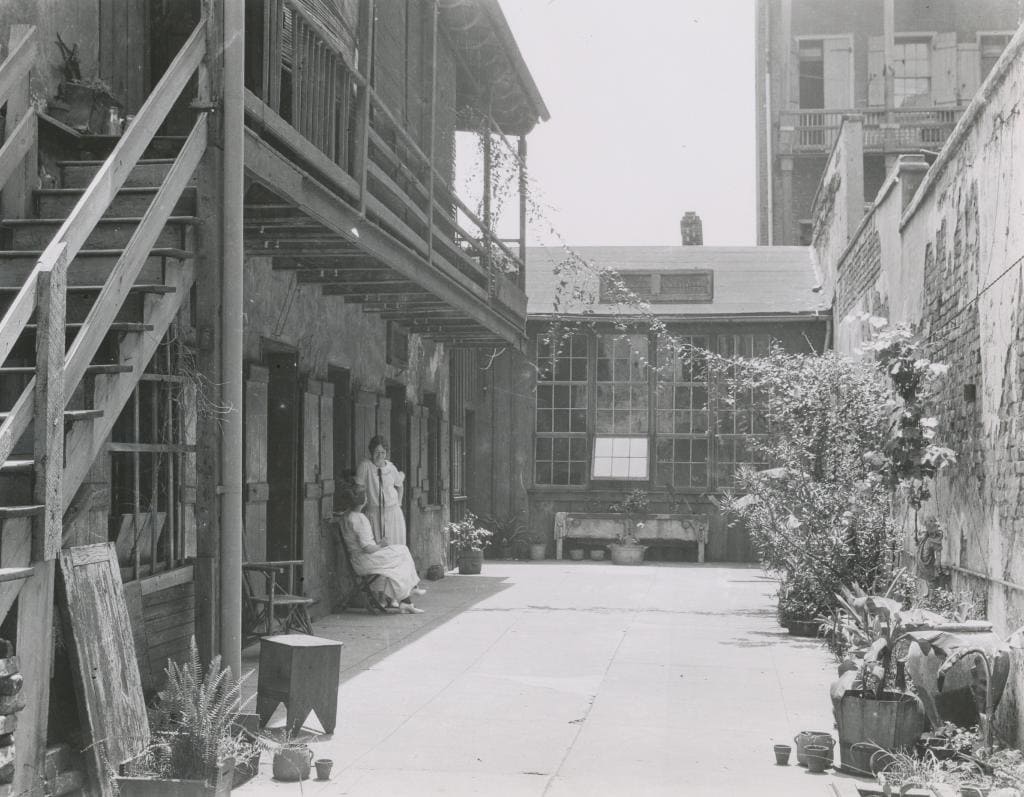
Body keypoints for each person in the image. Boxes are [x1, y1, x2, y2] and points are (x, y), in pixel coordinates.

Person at [334, 481, 425, 613]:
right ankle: (409, 592)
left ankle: (407, 599)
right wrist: (381, 545)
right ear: (363, 501)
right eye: (365, 496)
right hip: (365, 560)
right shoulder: (359, 519)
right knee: (402, 553)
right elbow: (368, 548)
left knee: (400, 556)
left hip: (358, 559)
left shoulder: (346, 516)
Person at [355, 436, 407, 546]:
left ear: (386, 453)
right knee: (378, 548)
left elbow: (400, 485)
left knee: (394, 546)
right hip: (374, 514)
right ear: (371, 451)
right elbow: (359, 490)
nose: (380, 456)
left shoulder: (391, 467)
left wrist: (399, 503)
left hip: (393, 514)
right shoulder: (365, 466)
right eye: (377, 452)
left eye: (383, 452)